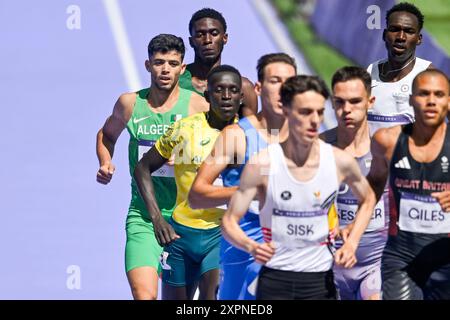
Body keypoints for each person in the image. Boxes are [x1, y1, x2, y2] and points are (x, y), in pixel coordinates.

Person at [222, 75, 377, 300]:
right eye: (305, 112)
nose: (314, 120)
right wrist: (251, 246)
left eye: (319, 112)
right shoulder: (263, 163)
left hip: (320, 281)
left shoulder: (338, 161)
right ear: (286, 111)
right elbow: (229, 221)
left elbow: (369, 198)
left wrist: (352, 242)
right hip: (276, 278)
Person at [95, 34, 208, 300]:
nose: (165, 69)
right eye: (159, 63)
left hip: (188, 220)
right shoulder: (130, 104)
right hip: (144, 217)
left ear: (182, 69)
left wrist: (184, 160)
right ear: (148, 65)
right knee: (143, 294)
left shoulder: (197, 106)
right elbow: (107, 135)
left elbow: (222, 152)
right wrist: (105, 161)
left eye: (172, 63)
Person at [188, 53, 297, 300]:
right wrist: (247, 192)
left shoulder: (306, 136)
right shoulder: (236, 136)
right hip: (243, 251)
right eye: (275, 81)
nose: (283, 90)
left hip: (290, 250)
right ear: (259, 88)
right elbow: (197, 195)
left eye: (289, 82)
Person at [134, 65, 243, 300]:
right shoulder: (185, 129)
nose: (226, 97)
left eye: (233, 90)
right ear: (207, 95)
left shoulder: (250, 135)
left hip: (221, 234)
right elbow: (143, 167)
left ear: (241, 97)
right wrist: (157, 219)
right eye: (219, 90)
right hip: (180, 235)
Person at [367, 69, 450, 300]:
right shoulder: (388, 140)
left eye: (439, 94)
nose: (431, 100)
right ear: (411, 99)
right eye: (424, 94)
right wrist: (353, 230)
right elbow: (373, 182)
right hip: (402, 257)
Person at [321, 66, 388, 300]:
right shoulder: (317, 148)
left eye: (355, 101)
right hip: (328, 264)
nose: (346, 110)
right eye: (339, 102)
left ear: (371, 101)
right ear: (331, 102)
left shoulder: (387, 147)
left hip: (375, 265)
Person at [367, 2, 433, 135]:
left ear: (419, 39)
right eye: (395, 29)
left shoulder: (429, 75)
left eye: (409, 31)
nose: (401, 37)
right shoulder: (369, 72)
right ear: (385, 34)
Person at [179, 8, 257, 118]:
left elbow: (251, 133)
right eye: (200, 34)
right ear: (191, 41)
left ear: (225, 38)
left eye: (214, 33)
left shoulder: (243, 87)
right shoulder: (175, 81)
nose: (207, 40)